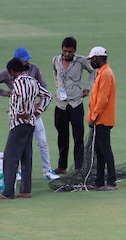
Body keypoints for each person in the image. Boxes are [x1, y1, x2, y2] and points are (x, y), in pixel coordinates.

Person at [0, 47, 59, 181]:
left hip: (33, 114)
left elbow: (43, 87)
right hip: (17, 117)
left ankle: (47, 170)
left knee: (42, 142)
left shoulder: (34, 69)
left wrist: (39, 106)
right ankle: (18, 172)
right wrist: (6, 93)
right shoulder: (7, 72)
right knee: (18, 145)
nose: (27, 62)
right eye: (25, 60)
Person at [0, 58, 53, 200]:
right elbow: (48, 95)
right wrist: (38, 111)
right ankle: (26, 190)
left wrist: (21, 112)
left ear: (12, 71)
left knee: (10, 157)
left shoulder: (19, 83)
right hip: (30, 124)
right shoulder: (33, 81)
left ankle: (8, 192)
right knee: (26, 157)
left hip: (18, 124)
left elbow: (23, 96)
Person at [52, 36, 96, 176]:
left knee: (78, 136)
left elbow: (93, 71)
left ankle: (78, 167)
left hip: (76, 103)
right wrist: (58, 88)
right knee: (62, 136)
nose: (67, 54)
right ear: (61, 49)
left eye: (70, 51)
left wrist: (88, 88)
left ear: (75, 50)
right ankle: (62, 166)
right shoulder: (56, 60)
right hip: (61, 104)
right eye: (65, 51)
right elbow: (55, 74)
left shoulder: (81, 61)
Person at [86, 46, 117, 191]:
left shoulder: (105, 74)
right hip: (101, 119)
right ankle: (99, 182)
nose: (91, 61)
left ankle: (111, 182)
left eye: (92, 59)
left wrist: (93, 117)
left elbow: (102, 100)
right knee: (99, 151)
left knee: (105, 151)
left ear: (98, 58)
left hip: (102, 120)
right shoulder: (103, 73)